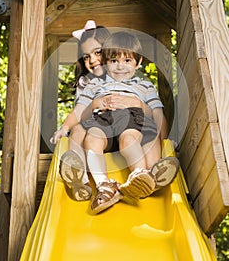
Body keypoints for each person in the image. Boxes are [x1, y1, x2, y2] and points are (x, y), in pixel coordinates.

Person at [50, 22, 162, 202]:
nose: (93, 60)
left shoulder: (140, 84)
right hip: (103, 124)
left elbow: (155, 112)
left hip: (130, 123)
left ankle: (146, 174)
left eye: (98, 52)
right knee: (82, 132)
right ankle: (86, 179)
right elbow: (80, 111)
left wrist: (138, 105)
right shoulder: (90, 83)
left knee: (145, 136)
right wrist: (65, 127)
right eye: (87, 56)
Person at [76, 31, 179, 214]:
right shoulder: (94, 85)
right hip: (103, 120)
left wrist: (166, 141)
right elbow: (81, 115)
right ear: (106, 64)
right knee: (91, 139)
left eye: (127, 60)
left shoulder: (144, 85)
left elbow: (156, 112)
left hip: (131, 118)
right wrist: (95, 104)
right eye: (114, 61)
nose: (120, 66)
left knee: (129, 140)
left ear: (138, 63)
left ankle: (140, 176)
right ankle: (104, 186)